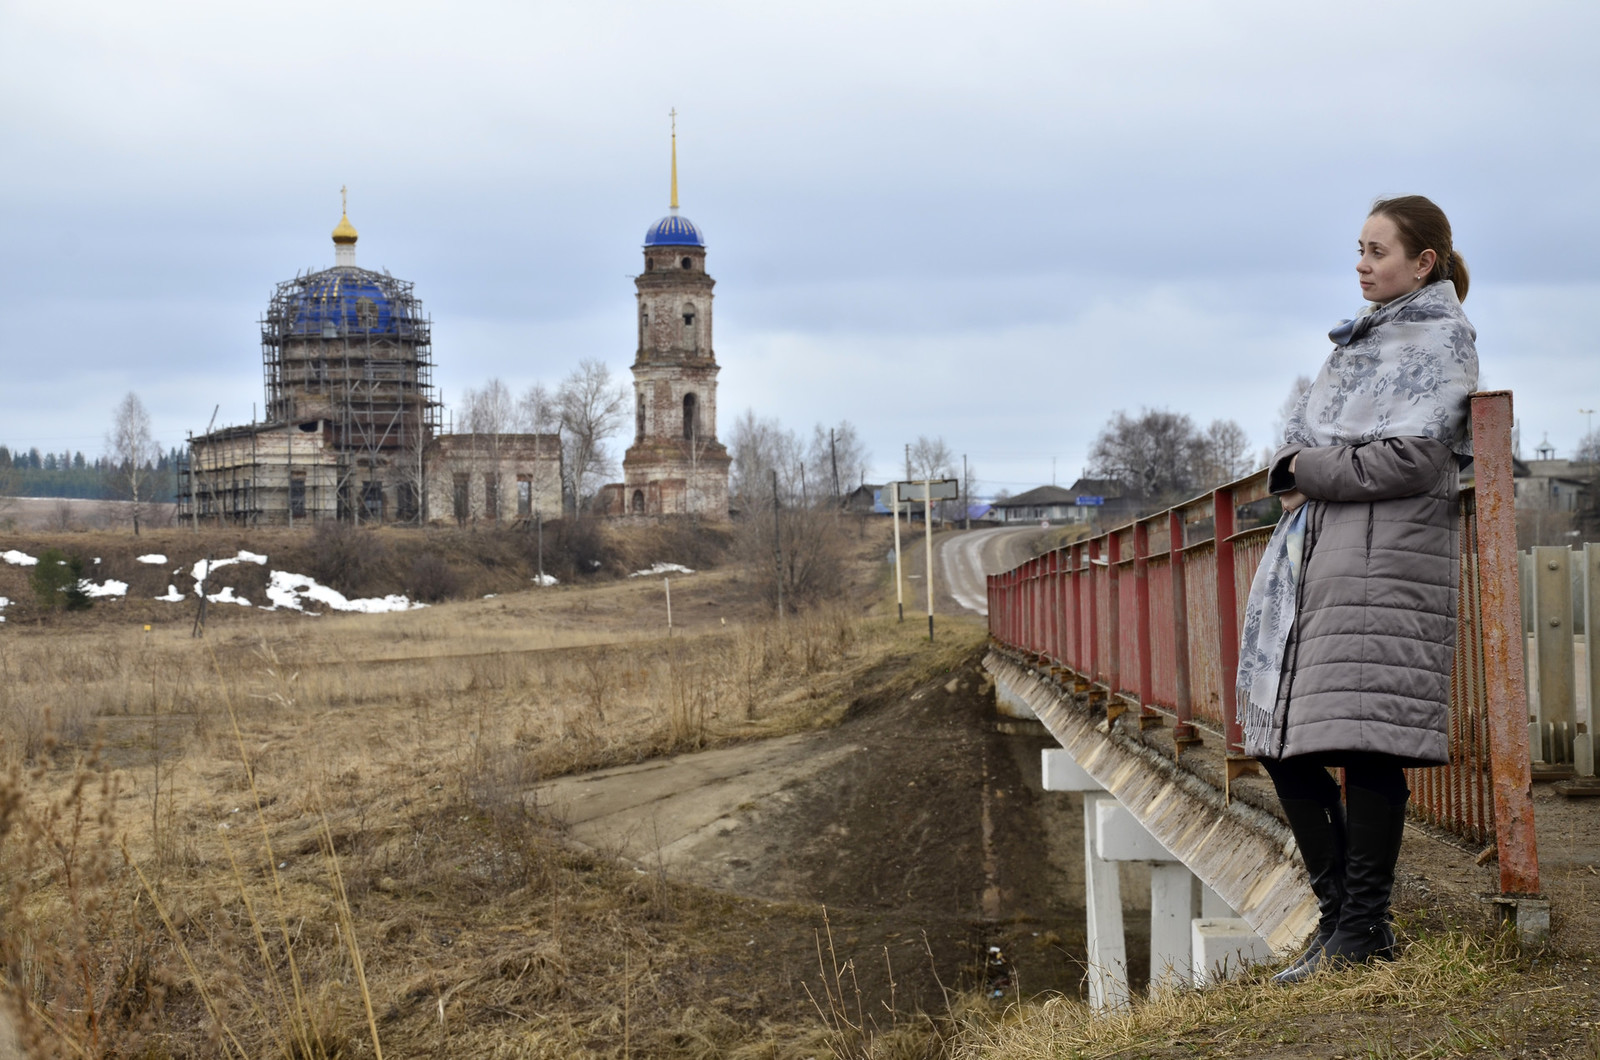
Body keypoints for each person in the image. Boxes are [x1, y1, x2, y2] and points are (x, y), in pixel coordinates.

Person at [1236, 195, 1477, 984]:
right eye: (1359, 251)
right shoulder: (1361, 343)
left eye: (1377, 252)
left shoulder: (1441, 340)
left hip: (1389, 561)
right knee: (1280, 743)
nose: (1362, 265)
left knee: (1369, 741)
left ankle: (1361, 925)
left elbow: (1415, 458)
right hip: (1328, 562)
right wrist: (1299, 466)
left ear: (1423, 264)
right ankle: (1342, 921)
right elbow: (1311, 443)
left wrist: (1306, 471)